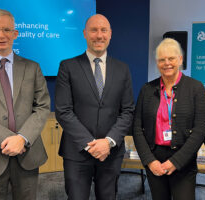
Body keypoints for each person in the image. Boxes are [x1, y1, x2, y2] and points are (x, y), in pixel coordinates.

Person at [0, 9, 50, 200]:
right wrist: (8, 139)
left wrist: (22, 138)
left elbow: (42, 107)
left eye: (7, 29)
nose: (1, 35)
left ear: (15, 34)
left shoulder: (32, 67)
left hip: (27, 155)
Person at [55, 14, 134, 200]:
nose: (99, 35)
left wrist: (108, 142)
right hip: (77, 152)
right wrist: (90, 145)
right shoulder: (68, 67)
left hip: (111, 152)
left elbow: (128, 110)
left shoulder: (122, 69)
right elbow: (63, 111)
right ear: (84, 33)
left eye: (103, 30)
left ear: (110, 34)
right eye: (94, 30)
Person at [133, 38, 205, 200]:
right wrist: (149, 161)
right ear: (157, 62)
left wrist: (176, 161)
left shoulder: (195, 88)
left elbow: (200, 128)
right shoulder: (147, 89)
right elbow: (137, 127)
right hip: (155, 160)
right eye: (162, 59)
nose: (166, 63)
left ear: (180, 59)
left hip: (184, 160)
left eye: (171, 58)